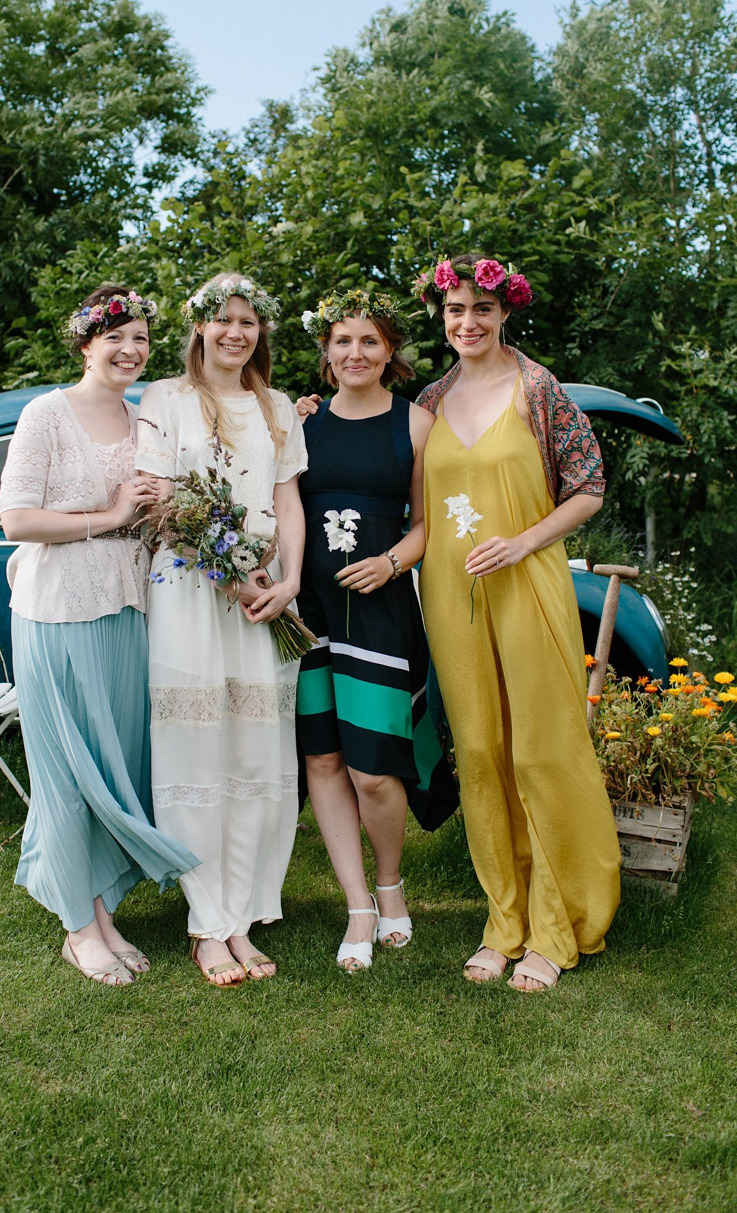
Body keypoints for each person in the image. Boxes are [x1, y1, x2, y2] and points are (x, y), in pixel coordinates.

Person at [414, 253, 620, 991]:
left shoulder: (540, 390)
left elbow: (588, 487)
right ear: (442, 320)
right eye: (454, 312)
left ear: (506, 314)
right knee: (477, 749)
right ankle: (503, 921)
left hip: (527, 582)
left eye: (482, 311)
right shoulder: (429, 401)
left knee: (541, 749)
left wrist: (526, 539)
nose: (467, 324)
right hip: (449, 592)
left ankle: (558, 924)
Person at [0, 284, 198, 987]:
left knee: (111, 761)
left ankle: (102, 914)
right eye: (116, 337)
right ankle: (80, 930)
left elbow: (146, 514)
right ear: (86, 343)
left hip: (125, 609)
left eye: (141, 339)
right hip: (55, 613)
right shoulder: (45, 414)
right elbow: (16, 520)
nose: (131, 351)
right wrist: (112, 515)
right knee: (66, 773)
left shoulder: (142, 419)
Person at [135, 273, 307, 987]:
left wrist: (289, 580)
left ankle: (243, 912)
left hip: (264, 600)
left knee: (256, 753)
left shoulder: (274, 408)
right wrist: (231, 574)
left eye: (248, 322)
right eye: (223, 321)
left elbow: (286, 499)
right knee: (196, 752)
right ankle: (207, 924)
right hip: (192, 599)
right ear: (200, 328)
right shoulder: (166, 400)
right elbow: (162, 503)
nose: (236, 333)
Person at [295, 290, 458, 973]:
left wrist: (392, 562)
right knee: (325, 760)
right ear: (326, 352)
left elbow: (428, 523)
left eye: (369, 341)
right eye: (342, 341)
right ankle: (359, 903)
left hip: (383, 610)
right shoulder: (298, 424)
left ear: (388, 350)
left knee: (375, 770)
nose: (354, 353)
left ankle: (390, 883)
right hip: (310, 611)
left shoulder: (417, 424)